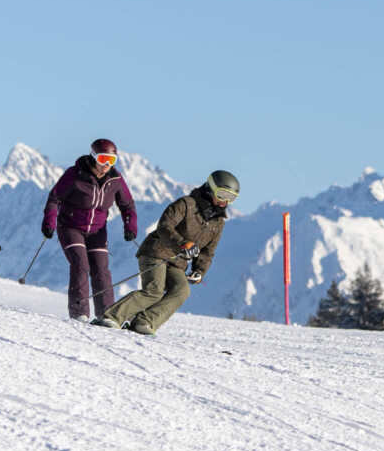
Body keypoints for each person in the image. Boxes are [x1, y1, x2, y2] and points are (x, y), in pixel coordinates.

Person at [93, 170, 238, 336]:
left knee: (181, 291)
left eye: (231, 198)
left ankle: (144, 322)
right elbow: (164, 226)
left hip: (177, 262)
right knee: (154, 291)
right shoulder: (187, 204)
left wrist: (199, 270)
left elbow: (207, 251)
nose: (225, 201)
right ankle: (111, 317)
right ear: (211, 188)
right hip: (156, 251)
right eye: (222, 194)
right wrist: (182, 244)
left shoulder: (218, 222)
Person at [42, 138, 140, 321]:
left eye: (111, 161)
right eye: (103, 159)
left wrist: (130, 226)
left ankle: (107, 315)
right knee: (80, 265)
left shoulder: (115, 180)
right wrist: (49, 223)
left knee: (101, 269)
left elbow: (128, 205)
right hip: (71, 227)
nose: (106, 165)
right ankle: (79, 313)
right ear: (94, 157)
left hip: (97, 231)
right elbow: (54, 198)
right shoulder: (75, 175)